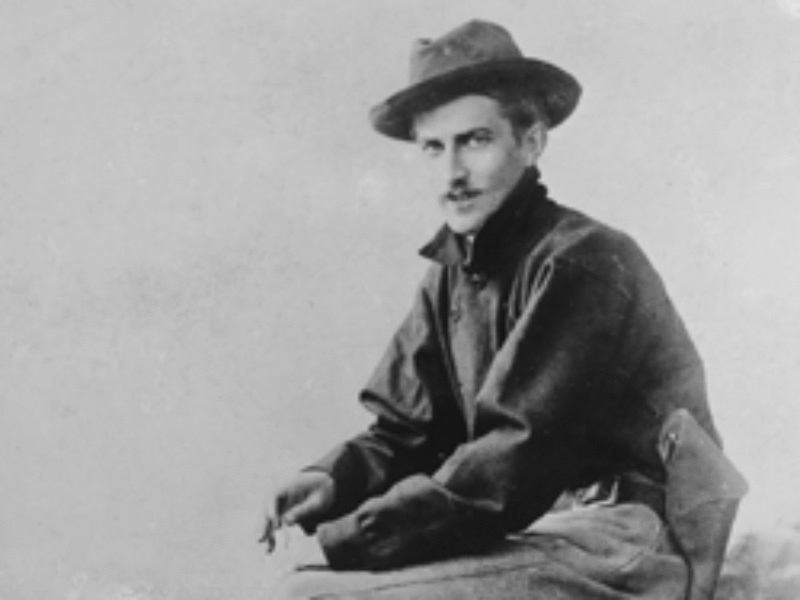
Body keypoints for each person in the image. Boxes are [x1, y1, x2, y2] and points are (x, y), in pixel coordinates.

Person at [260, 19, 735, 599]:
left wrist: (347, 540)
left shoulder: (582, 260)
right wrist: (332, 480)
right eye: (433, 147)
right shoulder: (449, 275)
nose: (452, 174)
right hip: (539, 525)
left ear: (531, 142)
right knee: (302, 584)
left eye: (475, 140)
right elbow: (406, 431)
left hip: (627, 533)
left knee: (307, 594)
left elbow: (516, 460)